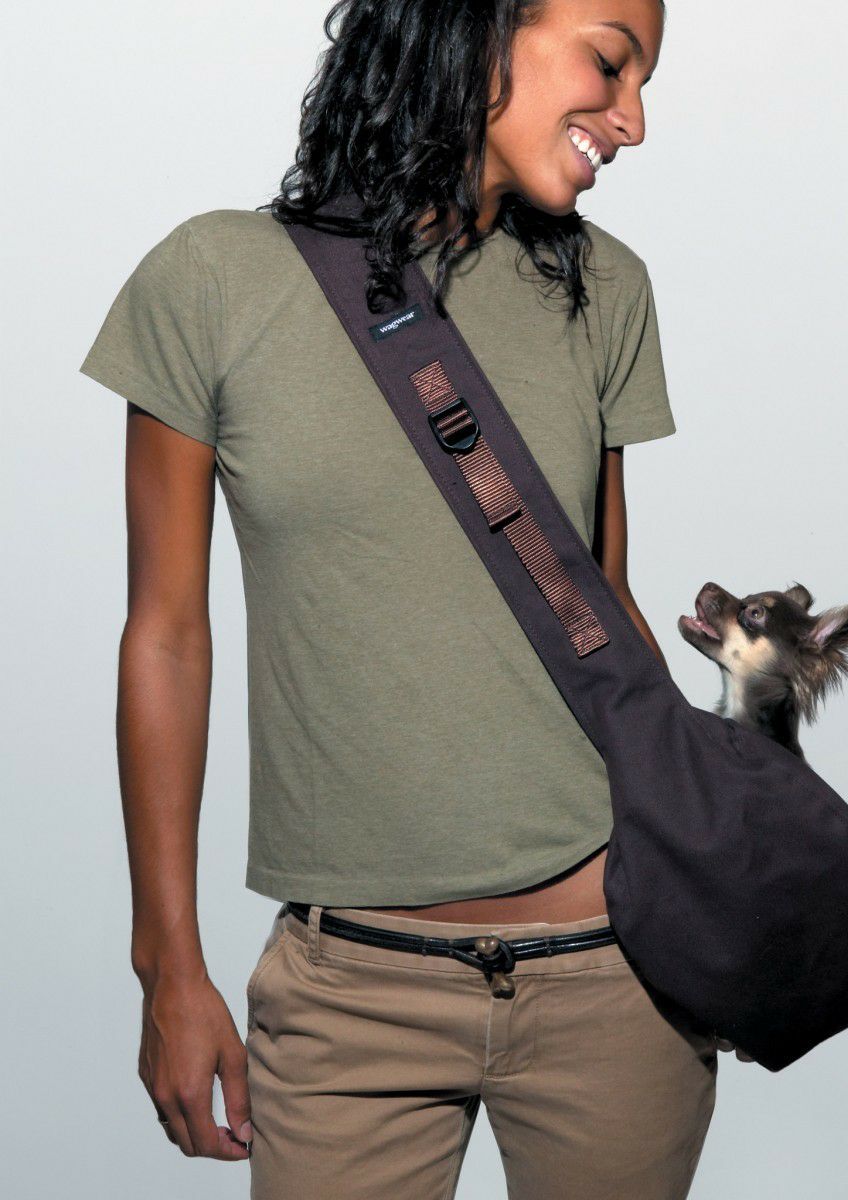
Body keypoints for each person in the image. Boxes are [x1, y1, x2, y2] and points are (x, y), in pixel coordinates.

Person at [79, 0, 718, 1195]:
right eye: (611, 62)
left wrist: (718, 867)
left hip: (618, 977)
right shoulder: (211, 279)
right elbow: (164, 635)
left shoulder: (607, 289)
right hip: (348, 994)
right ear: (478, 27)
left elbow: (603, 609)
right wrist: (167, 963)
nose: (632, 119)